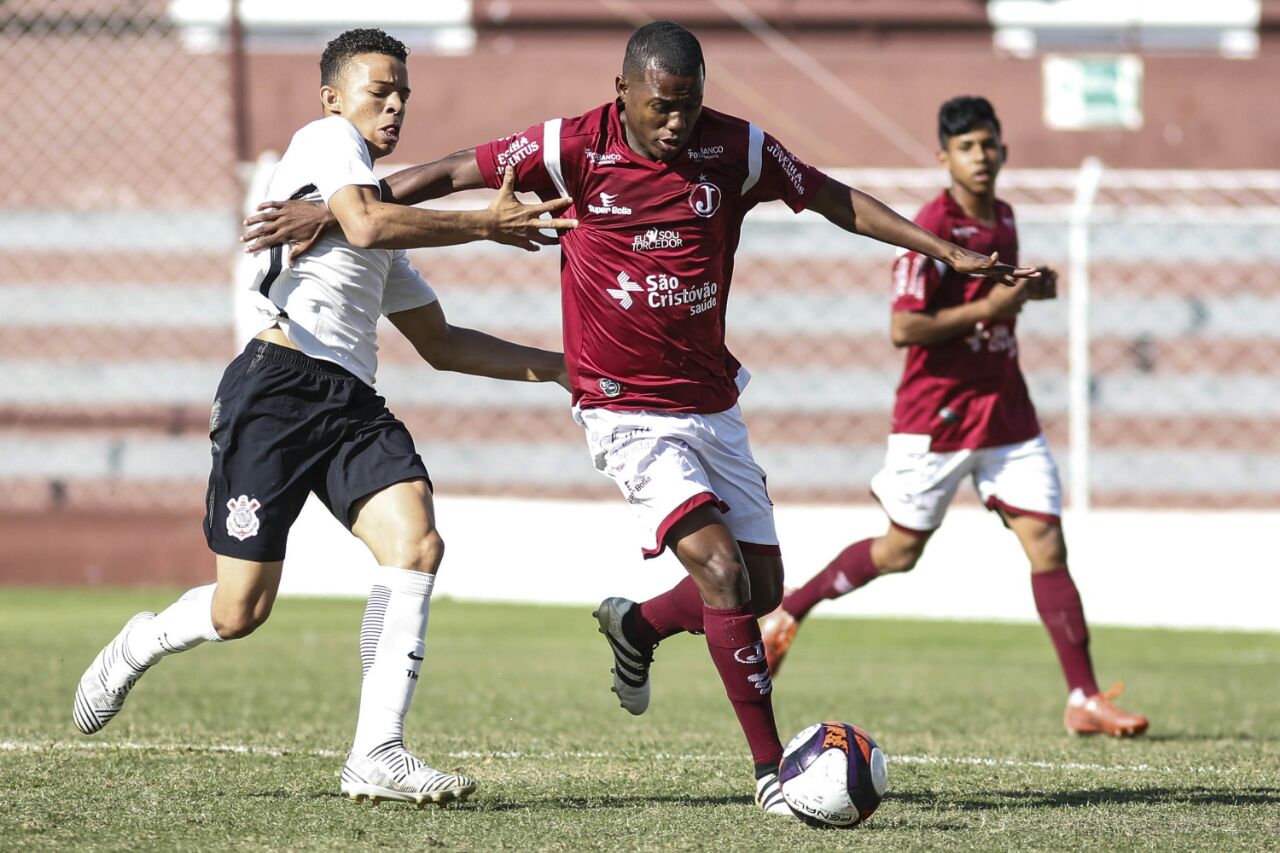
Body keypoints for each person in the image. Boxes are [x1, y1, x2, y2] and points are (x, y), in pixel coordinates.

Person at [242, 23, 1038, 812]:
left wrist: (947, 252)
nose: (676, 123)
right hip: (624, 407)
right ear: (622, 91)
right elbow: (453, 171)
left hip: (711, 401)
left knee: (761, 588)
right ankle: (772, 774)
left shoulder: (738, 149)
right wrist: (336, 215)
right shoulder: (573, 145)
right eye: (661, 106)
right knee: (721, 571)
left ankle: (640, 626)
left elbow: (830, 196)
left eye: (689, 107)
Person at [72, 27, 579, 807]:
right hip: (274, 387)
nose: (396, 104)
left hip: (348, 405)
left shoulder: (370, 223)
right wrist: (485, 222)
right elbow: (371, 221)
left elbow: (441, 343)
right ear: (334, 98)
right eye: (381, 90)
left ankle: (376, 752)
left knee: (417, 541)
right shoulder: (325, 140)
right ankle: (141, 640)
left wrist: (559, 367)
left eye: (403, 92)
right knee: (239, 609)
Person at [757, 96, 1149, 738]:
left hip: (1005, 410)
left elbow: (1000, 303)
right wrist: (990, 308)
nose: (981, 157)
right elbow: (904, 326)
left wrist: (1031, 290)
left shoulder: (1005, 219)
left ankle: (1083, 696)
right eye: (967, 147)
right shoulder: (929, 229)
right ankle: (788, 612)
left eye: (989, 145)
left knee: (1047, 542)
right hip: (935, 416)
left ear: (1003, 151)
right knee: (899, 551)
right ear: (945, 157)